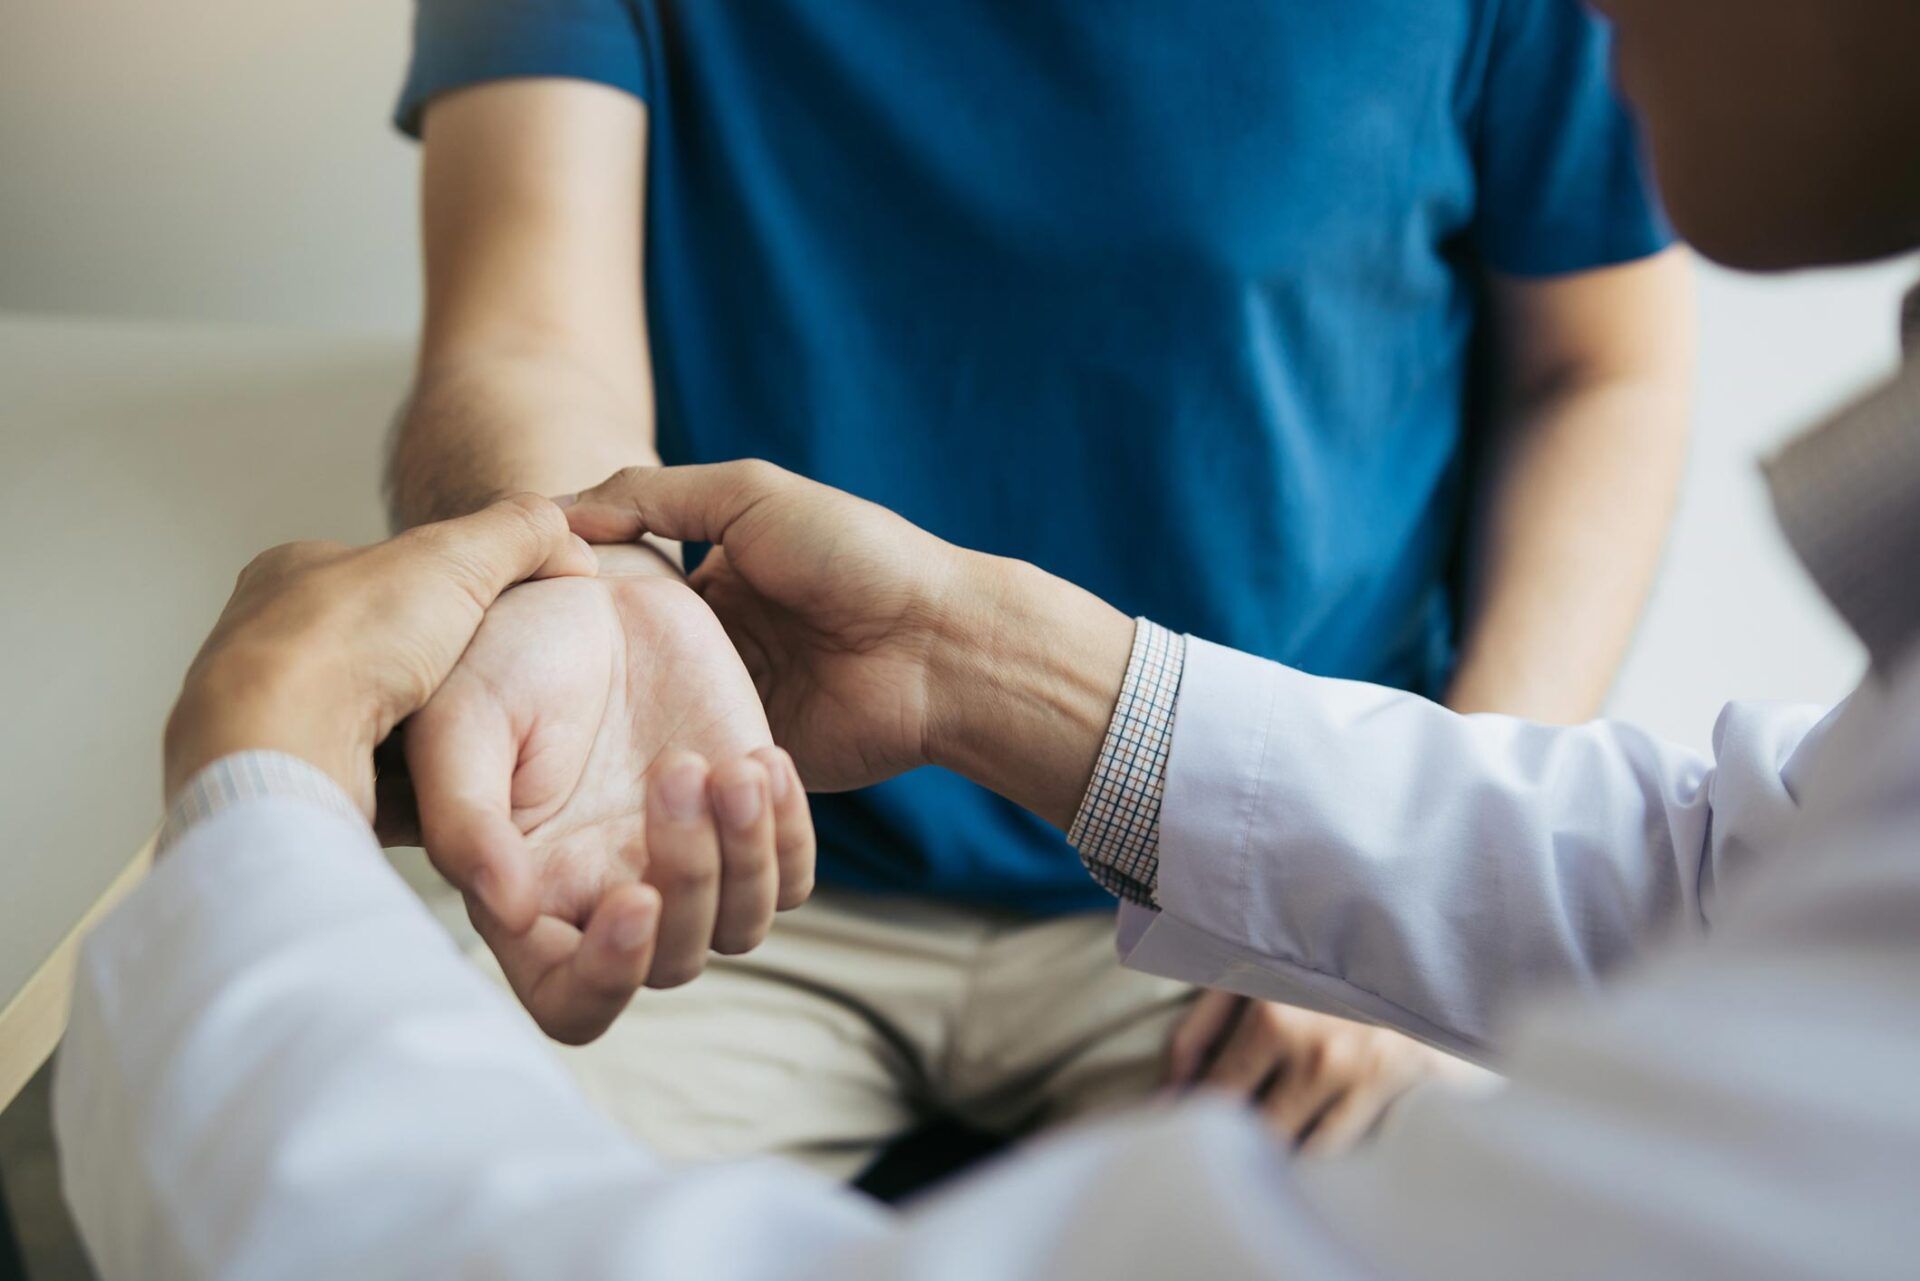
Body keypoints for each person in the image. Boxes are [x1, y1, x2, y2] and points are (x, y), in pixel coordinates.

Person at [56, 0, 1920, 1264]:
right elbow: (1705, 854)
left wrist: (258, 800)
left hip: (1207, 972)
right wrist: (974, 666)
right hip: (741, 858)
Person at [384, 0, 1694, 1162]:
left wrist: (1412, 876)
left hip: (1260, 869)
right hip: (719, 847)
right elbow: (522, 334)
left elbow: (1600, 370)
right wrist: (582, 597)